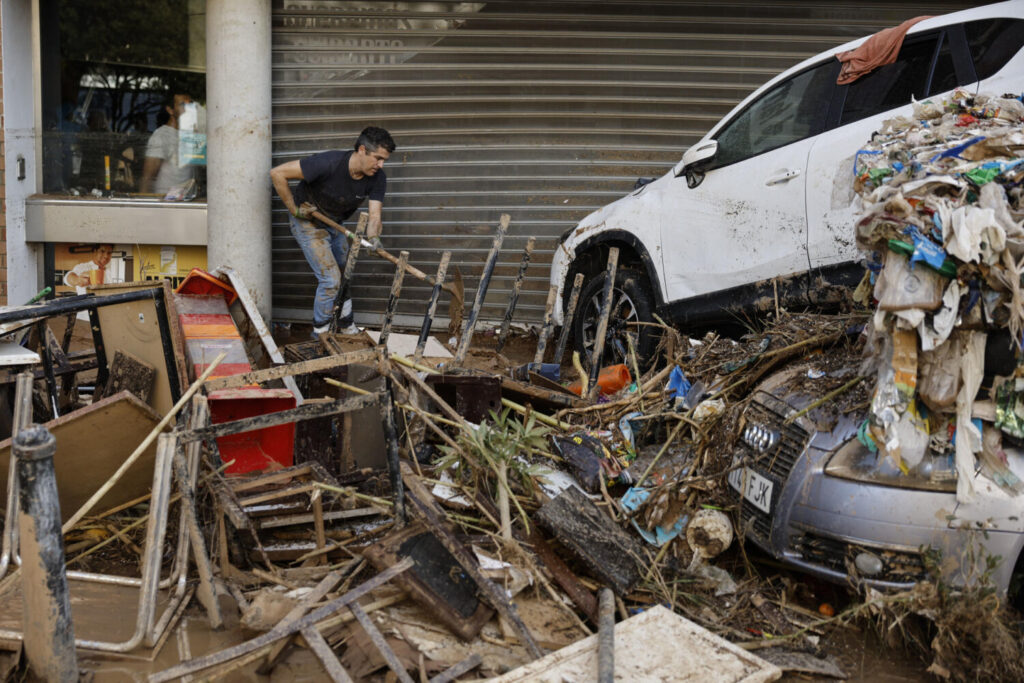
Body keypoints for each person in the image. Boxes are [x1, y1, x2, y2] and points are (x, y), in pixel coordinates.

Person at [270, 126, 395, 335]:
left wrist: (374, 237)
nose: (381, 165)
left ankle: (346, 324)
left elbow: (374, 217)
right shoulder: (328, 163)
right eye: (378, 158)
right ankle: (320, 335)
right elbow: (277, 173)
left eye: (385, 160)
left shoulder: (377, 178)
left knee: (345, 274)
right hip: (308, 222)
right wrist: (294, 209)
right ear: (362, 150)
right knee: (330, 280)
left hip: (334, 223)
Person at [140, 94, 194, 196]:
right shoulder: (161, 136)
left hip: (186, 205)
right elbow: (147, 178)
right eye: (182, 105)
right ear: (170, 110)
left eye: (190, 105)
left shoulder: (189, 136)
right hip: (166, 205)